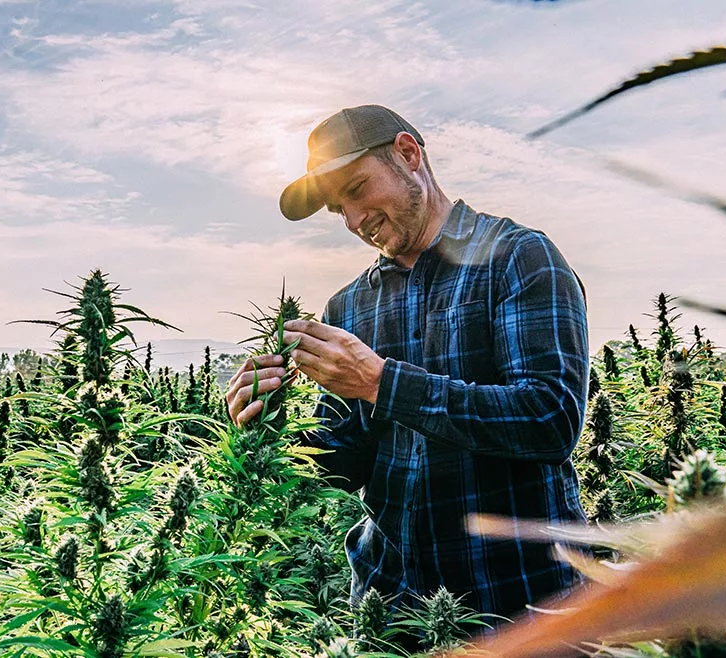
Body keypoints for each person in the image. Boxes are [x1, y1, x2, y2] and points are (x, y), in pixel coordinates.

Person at [224, 105, 589, 629]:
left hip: (522, 604)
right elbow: (342, 464)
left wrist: (380, 381)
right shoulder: (349, 308)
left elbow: (548, 420)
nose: (352, 221)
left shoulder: (519, 258)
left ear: (408, 154)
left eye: (356, 189)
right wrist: (267, 425)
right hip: (390, 609)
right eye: (336, 209)